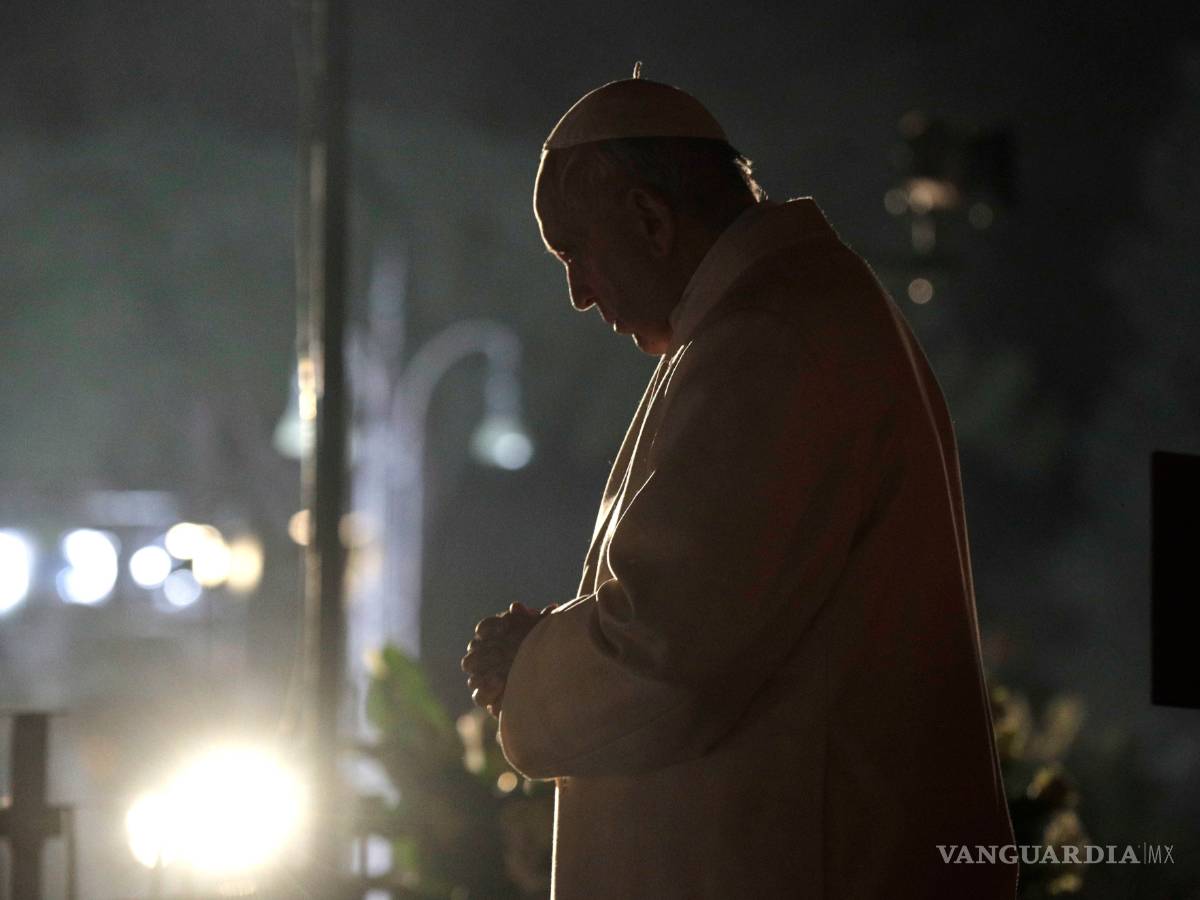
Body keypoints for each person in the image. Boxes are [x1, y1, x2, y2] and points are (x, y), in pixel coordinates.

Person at [462, 71, 1018, 898]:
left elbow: (669, 660)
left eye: (575, 252)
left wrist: (529, 667)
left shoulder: (768, 338)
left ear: (650, 219)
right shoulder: (783, 312)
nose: (578, 294)